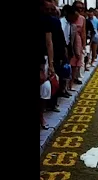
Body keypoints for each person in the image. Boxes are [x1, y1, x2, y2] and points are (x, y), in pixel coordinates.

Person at [40, 0, 54, 129]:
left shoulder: (46, 20)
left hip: (41, 58)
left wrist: (50, 64)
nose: (49, 12)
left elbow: (49, 43)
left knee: (45, 87)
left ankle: (42, 116)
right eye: (47, 9)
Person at [69, 1, 86, 90]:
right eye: (77, 8)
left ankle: (71, 84)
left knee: (76, 63)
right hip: (69, 39)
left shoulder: (82, 18)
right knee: (69, 62)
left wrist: (83, 45)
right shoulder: (70, 17)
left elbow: (83, 32)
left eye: (81, 8)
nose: (79, 10)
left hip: (78, 40)